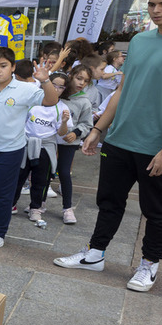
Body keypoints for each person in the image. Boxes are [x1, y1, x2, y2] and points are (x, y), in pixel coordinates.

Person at [54, 0, 162, 292]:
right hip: (121, 137)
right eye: (152, 4)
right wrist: (99, 128)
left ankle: (149, 265)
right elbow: (122, 91)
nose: (155, 10)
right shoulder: (140, 41)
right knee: (109, 200)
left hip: (156, 144)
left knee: (155, 209)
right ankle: (95, 254)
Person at [0, 46, 59, 251]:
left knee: (3, 194)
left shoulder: (26, 89)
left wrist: (45, 80)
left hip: (12, 151)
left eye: (3, 66)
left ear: (13, 67)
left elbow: (51, 100)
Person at [11, 72, 68, 225]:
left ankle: (36, 207)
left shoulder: (62, 108)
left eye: (60, 87)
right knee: (18, 176)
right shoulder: (34, 101)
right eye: (53, 84)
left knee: (40, 180)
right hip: (25, 143)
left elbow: (62, 133)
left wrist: (63, 122)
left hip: (45, 146)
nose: (56, 89)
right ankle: (11, 203)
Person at [53, 67, 94, 224]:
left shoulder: (84, 101)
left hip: (69, 142)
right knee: (44, 172)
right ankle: (38, 204)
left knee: (64, 172)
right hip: (50, 140)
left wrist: (76, 133)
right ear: (70, 76)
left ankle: (67, 209)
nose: (81, 83)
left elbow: (86, 124)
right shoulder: (57, 93)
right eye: (79, 78)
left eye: (86, 80)